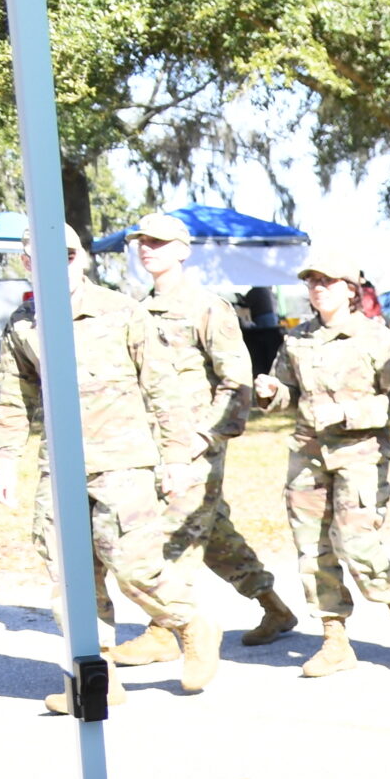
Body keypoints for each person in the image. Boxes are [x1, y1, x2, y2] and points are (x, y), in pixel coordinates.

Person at [0, 224, 219, 708]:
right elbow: (15, 400)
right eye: (42, 257)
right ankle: (99, 678)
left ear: (83, 258)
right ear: (28, 263)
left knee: (135, 568)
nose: (57, 264)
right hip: (60, 469)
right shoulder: (24, 324)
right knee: (70, 579)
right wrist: (6, 462)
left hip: (123, 464)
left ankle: (191, 624)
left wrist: (178, 458)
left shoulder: (121, 312)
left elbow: (163, 390)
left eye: (68, 254)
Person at [115, 210, 298, 664]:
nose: (146, 249)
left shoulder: (207, 307)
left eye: (157, 242)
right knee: (212, 532)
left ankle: (163, 629)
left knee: (173, 531)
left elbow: (235, 382)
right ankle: (273, 607)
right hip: (153, 444)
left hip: (195, 442)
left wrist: (206, 437)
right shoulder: (137, 308)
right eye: (141, 241)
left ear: (182, 251)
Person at [255, 249, 390, 677]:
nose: (317, 289)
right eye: (311, 282)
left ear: (350, 290)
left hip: (361, 455)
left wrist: (349, 414)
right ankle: (334, 638)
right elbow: (288, 394)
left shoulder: (376, 337)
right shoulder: (297, 339)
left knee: (357, 544)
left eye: (327, 281)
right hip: (308, 455)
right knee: (311, 548)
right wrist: (271, 393)